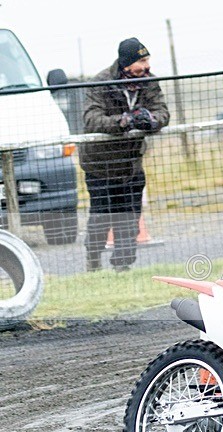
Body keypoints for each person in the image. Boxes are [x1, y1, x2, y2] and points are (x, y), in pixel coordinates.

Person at [78, 37, 169, 272]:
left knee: (129, 218)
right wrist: (123, 121)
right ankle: (93, 261)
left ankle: (123, 266)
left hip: (131, 164)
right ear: (127, 63)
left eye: (147, 59)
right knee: (101, 217)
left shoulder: (149, 81)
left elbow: (162, 112)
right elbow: (91, 119)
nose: (147, 65)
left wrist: (149, 120)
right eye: (142, 60)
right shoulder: (101, 82)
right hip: (100, 165)